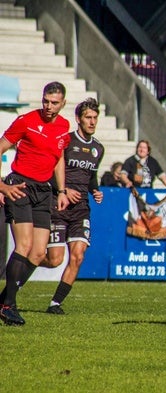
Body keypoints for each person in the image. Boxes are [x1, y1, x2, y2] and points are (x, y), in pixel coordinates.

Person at [0, 81, 71, 326]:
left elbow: (58, 159)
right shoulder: (26, 121)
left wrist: (61, 190)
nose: (49, 107)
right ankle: (8, 306)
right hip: (20, 186)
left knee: (40, 252)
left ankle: (4, 299)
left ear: (63, 103)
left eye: (54, 103)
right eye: (45, 101)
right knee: (25, 244)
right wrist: (3, 186)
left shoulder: (64, 127)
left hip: (44, 191)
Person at [39, 98, 105, 315]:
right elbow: (48, 172)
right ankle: (24, 264)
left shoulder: (98, 149)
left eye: (95, 118)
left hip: (81, 209)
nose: (92, 121)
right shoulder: (65, 141)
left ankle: (55, 304)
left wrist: (95, 190)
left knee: (78, 256)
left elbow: (91, 175)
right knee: (54, 259)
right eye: (88, 117)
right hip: (59, 206)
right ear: (78, 119)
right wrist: (64, 190)